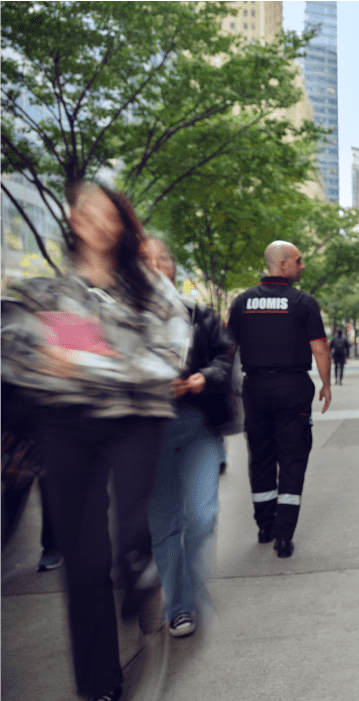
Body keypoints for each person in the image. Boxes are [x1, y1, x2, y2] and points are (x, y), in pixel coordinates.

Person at [1, 181, 190, 701]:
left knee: (130, 537)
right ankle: (98, 685)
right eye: (89, 211)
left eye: (111, 213)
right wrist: (96, 363)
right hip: (67, 424)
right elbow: (27, 355)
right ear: (72, 218)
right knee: (83, 565)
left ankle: (138, 574)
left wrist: (93, 363)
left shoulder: (152, 289)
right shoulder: (55, 294)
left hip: (135, 418)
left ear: (125, 225)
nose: (100, 221)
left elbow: (169, 355)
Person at [141, 239, 235, 638]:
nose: (157, 264)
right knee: (164, 523)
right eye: (146, 259)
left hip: (199, 425)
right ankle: (179, 607)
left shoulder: (200, 314)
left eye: (164, 257)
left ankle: (191, 589)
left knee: (202, 515)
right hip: (149, 430)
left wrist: (203, 378)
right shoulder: (123, 319)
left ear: (174, 268)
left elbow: (225, 359)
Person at [226, 241, 331, 558]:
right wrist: (326, 383)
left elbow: (227, 349)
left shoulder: (241, 302)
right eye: (298, 261)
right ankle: (284, 536)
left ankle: (264, 526)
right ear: (282, 263)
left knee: (260, 457)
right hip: (292, 389)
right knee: (292, 457)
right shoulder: (303, 302)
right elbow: (320, 347)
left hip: (254, 389)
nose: (303, 266)